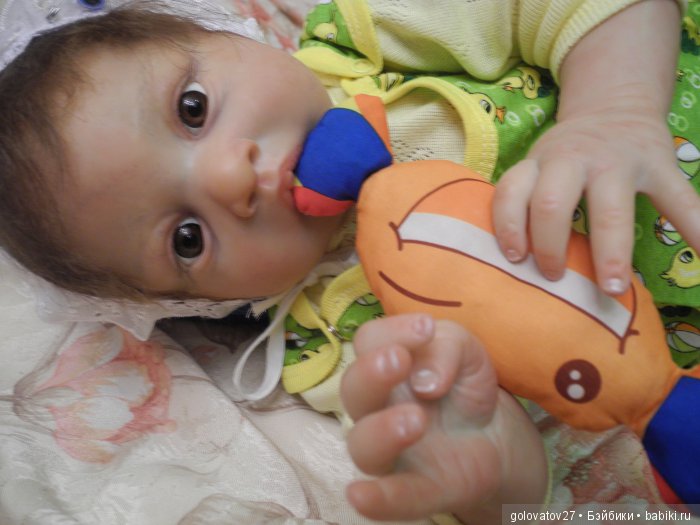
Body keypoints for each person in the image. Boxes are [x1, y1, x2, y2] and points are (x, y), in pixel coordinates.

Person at [0, 0, 693, 521]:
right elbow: (517, 501)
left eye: (192, 108)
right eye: (187, 238)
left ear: (226, 32)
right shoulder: (348, 347)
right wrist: (486, 458)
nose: (228, 178)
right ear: (192, 302)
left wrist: (612, 110)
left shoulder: (375, 35)